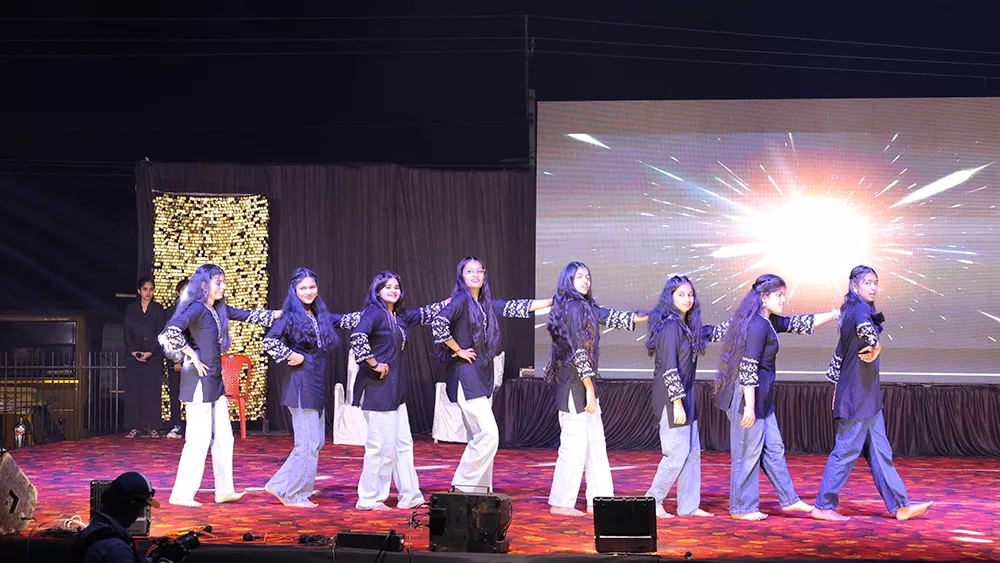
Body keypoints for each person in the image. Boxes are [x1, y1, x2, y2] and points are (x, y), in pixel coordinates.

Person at [713, 273, 840, 520]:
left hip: (762, 396)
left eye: (784, 294)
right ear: (763, 297)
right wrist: (749, 407)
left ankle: (789, 499)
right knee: (747, 452)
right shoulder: (757, 326)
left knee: (773, 447)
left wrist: (835, 314)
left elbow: (800, 323)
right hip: (747, 396)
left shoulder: (768, 320)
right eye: (779, 295)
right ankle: (742, 508)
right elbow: (748, 366)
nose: (784, 299)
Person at [811, 266, 932, 522]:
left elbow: (841, 353)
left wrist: (838, 386)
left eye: (875, 282)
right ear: (854, 286)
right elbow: (866, 332)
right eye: (868, 283)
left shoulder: (853, 310)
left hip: (867, 395)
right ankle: (823, 505)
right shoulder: (859, 309)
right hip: (857, 397)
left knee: (880, 453)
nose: (873, 287)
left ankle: (900, 506)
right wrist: (876, 346)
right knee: (845, 452)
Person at [158, 264, 278, 507]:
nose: (223, 287)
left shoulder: (218, 309)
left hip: (214, 380)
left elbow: (249, 315)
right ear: (204, 285)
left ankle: (224, 490)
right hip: (198, 379)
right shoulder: (196, 308)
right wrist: (191, 354)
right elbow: (169, 333)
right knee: (198, 439)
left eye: (223, 282)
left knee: (224, 437)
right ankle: (181, 494)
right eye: (218, 283)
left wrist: (283, 313)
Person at [432, 256, 552, 493]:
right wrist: (457, 349)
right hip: (466, 376)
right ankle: (461, 487)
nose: (476, 275)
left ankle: (478, 491)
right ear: (461, 276)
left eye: (479, 271)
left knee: (478, 436)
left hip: (481, 374)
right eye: (469, 271)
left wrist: (551, 301)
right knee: (488, 435)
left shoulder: (484, 304)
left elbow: (515, 306)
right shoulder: (460, 300)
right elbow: (438, 323)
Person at [544, 261, 645, 516]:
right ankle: (561, 502)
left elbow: (615, 317)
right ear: (568, 280)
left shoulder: (586, 307)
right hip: (573, 385)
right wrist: (589, 387)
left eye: (587, 276)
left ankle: (599, 499)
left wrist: (652, 314)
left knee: (595, 444)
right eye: (579, 276)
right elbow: (577, 350)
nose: (585, 281)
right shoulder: (572, 307)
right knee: (574, 446)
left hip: (584, 385)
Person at [350, 271, 446, 511]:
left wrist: (454, 299)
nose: (393, 290)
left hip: (396, 392)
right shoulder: (374, 313)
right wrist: (374, 364)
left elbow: (424, 314)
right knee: (380, 447)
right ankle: (370, 499)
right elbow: (357, 337)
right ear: (378, 291)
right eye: (388, 287)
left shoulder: (398, 316)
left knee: (403, 445)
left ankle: (410, 496)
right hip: (378, 391)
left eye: (396, 287)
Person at [262, 267, 354, 508]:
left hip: (315, 385)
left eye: (312, 287)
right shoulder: (290, 316)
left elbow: (347, 320)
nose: (308, 291)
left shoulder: (318, 315)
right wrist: (291, 354)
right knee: (307, 445)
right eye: (303, 288)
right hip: (300, 385)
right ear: (294, 290)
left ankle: (279, 484)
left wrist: (377, 311)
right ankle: (295, 494)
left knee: (317, 443)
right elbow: (269, 341)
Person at [643, 275, 727, 519]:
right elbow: (669, 368)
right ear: (669, 297)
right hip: (672, 399)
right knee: (676, 454)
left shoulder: (686, 327)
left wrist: (744, 317)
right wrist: (677, 403)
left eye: (690, 294)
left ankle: (688, 507)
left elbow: (714, 332)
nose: (687, 299)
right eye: (681, 294)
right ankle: (652, 501)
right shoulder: (670, 326)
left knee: (691, 454)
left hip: (686, 397)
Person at [67, 471, 163, 563]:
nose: (140, 513)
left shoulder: (92, 532)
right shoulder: (116, 548)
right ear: (132, 507)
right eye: (142, 508)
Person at [123, 277, 166, 439]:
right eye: (145, 289)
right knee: (133, 392)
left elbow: (160, 332)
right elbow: (126, 331)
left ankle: (153, 427)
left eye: (151, 289)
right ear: (139, 291)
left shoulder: (158, 309)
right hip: (134, 357)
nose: (148, 293)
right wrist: (133, 351)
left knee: (152, 392)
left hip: (153, 357)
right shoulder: (131, 309)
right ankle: (133, 427)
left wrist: (151, 352)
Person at [163, 279, 189, 439]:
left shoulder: (196, 310)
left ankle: (192, 426)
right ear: (178, 292)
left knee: (194, 394)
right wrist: (176, 360)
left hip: (193, 360)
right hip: (176, 359)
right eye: (184, 290)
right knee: (175, 393)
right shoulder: (170, 312)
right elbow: (168, 337)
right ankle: (176, 425)